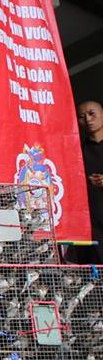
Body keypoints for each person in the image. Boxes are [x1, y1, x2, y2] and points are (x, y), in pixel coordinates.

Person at [77, 100, 103, 263]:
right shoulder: (77, 150)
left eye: (92, 113)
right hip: (92, 219)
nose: (87, 119)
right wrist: (85, 181)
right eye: (82, 116)